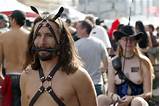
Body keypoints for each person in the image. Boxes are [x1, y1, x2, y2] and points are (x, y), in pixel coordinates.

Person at [20, 9, 97, 106]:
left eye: (49, 35)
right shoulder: (26, 76)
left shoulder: (79, 76)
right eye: (38, 35)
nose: (42, 42)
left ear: (62, 40)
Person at [98, 25, 154, 106]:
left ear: (135, 41)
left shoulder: (144, 62)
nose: (128, 42)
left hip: (138, 102)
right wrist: (114, 96)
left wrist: (132, 98)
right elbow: (110, 91)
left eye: (131, 39)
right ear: (120, 41)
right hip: (119, 102)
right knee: (101, 99)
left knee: (137, 102)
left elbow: (148, 93)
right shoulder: (113, 62)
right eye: (125, 39)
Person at [0, 10, 29, 106]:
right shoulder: (29, 36)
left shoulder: (3, 36)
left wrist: (1, 78)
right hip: (27, 77)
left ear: (13, 20)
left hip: (9, 77)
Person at [75, 20, 109, 96]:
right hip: (97, 84)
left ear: (84, 29)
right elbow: (106, 63)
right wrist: (100, 71)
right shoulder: (100, 43)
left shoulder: (75, 45)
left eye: (77, 28)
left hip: (82, 85)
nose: (76, 30)